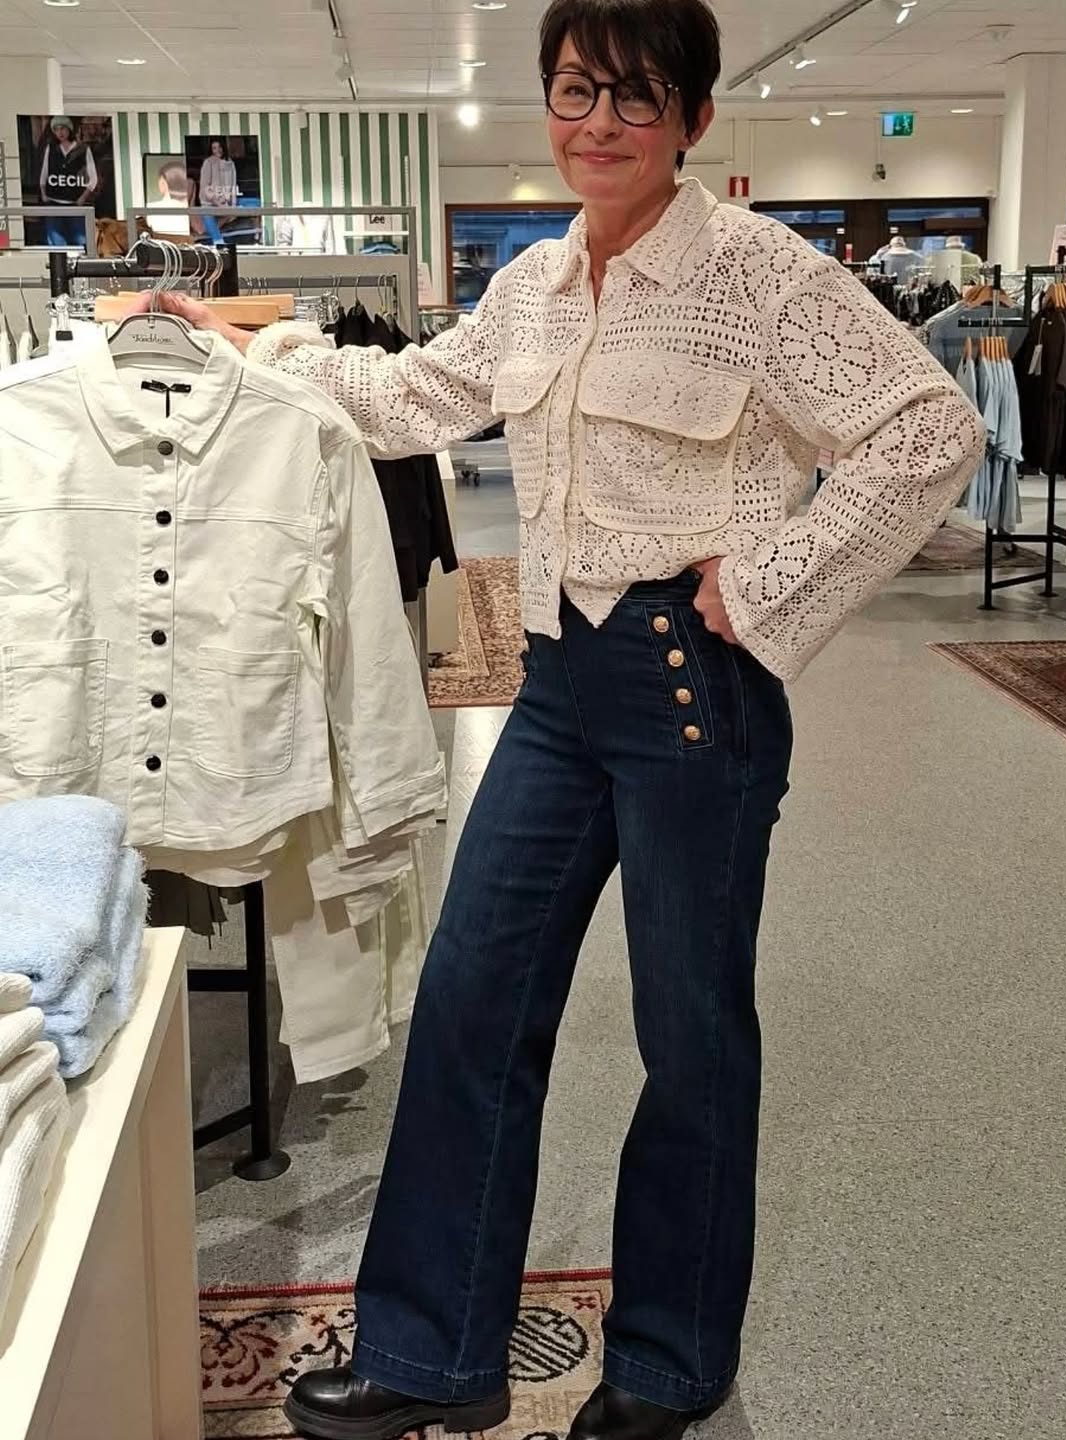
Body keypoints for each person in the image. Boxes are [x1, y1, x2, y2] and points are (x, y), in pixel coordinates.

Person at [132, 1, 984, 1435]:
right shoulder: (532, 284)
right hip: (549, 679)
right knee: (473, 998)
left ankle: (668, 1364)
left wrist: (772, 577)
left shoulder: (760, 274)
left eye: (637, 98)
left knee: (690, 1034)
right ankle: (433, 1356)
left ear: (693, 120)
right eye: (578, 91)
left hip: (691, 691)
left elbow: (929, 429)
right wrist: (249, 351)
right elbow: (414, 394)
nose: (600, 123)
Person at [38, 116, 98, 249]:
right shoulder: (51, 148)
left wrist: (83, 198)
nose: (60, 132)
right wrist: (43, 194)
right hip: (54, 202)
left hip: (75, 204)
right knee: (56, 243)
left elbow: (93, 178)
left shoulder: (83, 149)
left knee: (80, 241)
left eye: (63, 128)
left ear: (69, 130)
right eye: (56, 129)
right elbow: (44, 172)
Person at [198, 138, 237, 244]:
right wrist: (220, 204)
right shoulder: (208, 163)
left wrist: (233, 205)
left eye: (219, 147)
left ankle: (258, 236)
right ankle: (219, 243)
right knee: (207, 213)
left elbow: (233, 184)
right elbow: (206, 189)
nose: (218, 150)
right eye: (214, 148)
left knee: (255, 203)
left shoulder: (230, 163)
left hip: (226, 202)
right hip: (210, 204)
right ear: (211, 150)